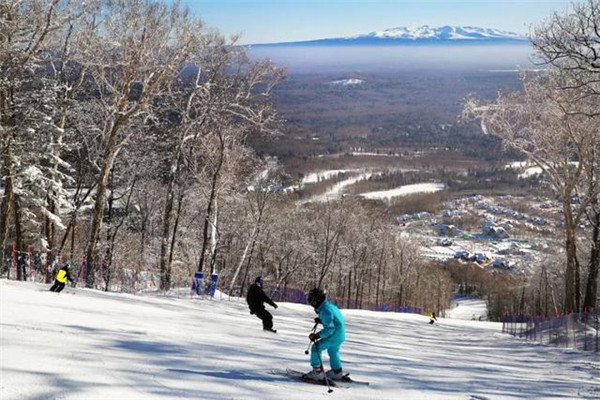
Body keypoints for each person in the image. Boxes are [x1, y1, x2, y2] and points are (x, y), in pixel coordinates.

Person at [303, 288, 346, 381]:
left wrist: (317, 335)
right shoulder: (329, 306)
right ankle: (337, 372)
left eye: (312, 300)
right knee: (333, 351)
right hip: (340, 334)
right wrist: (322, 320)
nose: (311, 302)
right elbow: (334, 320)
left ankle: (317, 372)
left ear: (317, 300)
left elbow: (330, 329)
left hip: (334, 335)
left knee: (316, 348)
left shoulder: (325, 310)